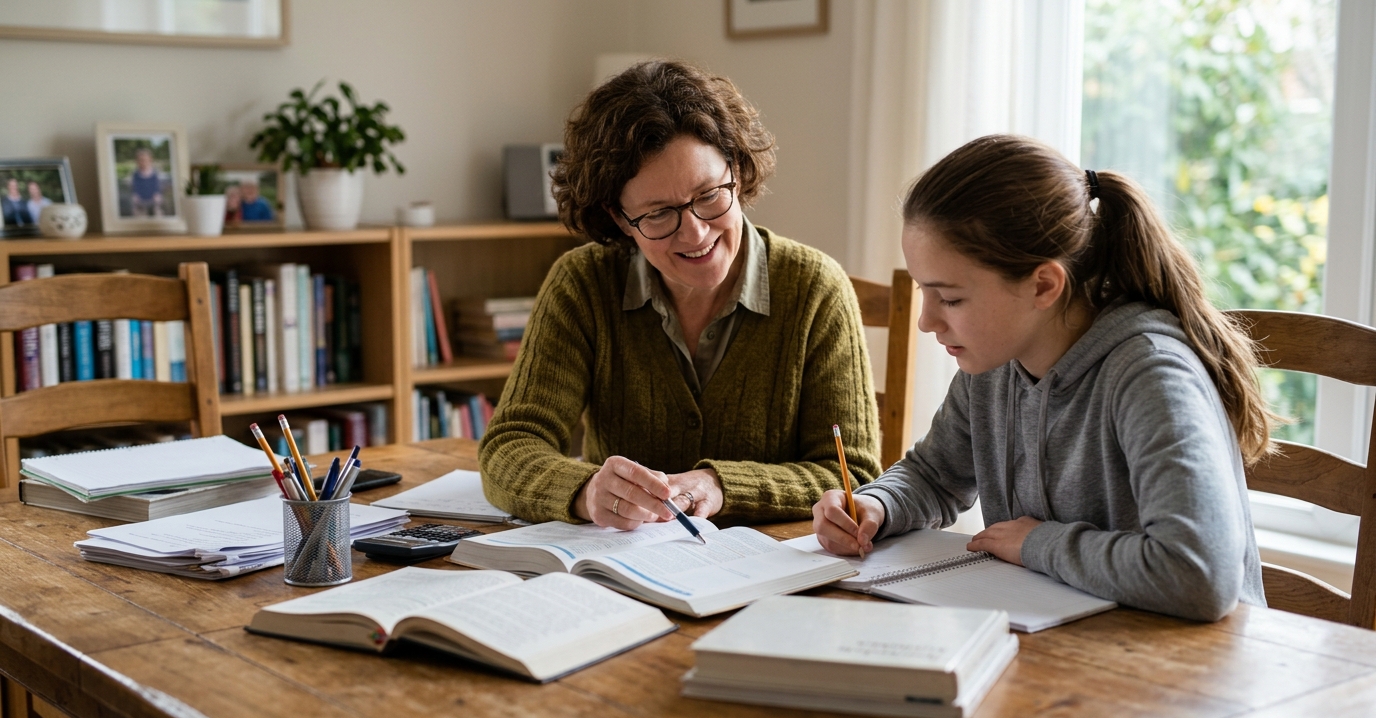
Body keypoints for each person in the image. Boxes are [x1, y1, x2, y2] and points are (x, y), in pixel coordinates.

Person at [812, 134, 1272, 622]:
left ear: (1044, 285)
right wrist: (877, 505)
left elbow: (1198, 574)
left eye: (950, 298)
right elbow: (933, 475)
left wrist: (1037, 543)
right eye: (925, 291)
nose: (926, 321)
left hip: (1183, 654)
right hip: (1065, 639)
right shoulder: (995, 361)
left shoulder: (1151, 375)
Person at [480, 60, 881, 529]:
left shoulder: (815, 288)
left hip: (776, 564)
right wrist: (587, 491)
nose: (695, 233)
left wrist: (720, 485)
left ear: (736, 170)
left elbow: (852, 475)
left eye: (709, 195)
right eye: (658, 213)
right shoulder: (582, 284)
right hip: (620, 563)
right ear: (619, 219)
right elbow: (510, 446)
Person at [128, 147, 164, 217]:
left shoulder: (155, 174)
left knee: (158, 213)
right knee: (137, 214)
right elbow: (133, 188)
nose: (143, 163)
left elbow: (158, 187)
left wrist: (157, 195)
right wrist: (135, 196)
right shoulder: (135, 175)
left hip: (154, 201)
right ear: (137, 162)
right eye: (141, 160)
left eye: (145, 160)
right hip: (140, 202)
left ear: (150, 160)